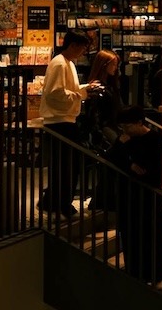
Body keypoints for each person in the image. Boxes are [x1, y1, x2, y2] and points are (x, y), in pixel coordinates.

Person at [39, 31, 101, 216]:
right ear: (73, 45)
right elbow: (56, 93)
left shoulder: (68, 63)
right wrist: (81, 94)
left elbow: (66, 91)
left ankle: (57, 201)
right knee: (66, 167)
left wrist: (85, 89)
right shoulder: (59, 63)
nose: (83, 52)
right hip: (59, 121)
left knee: (68, 166)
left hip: (64, 119)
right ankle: (59, 202)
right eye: (82, 47)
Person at [106, 105, 162, 283]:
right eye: (122, 127)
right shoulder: (124, 139)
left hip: (148, 193)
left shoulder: (155, 137)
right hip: (127, 193)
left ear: (140, 123)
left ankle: (153, 272)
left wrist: (127, 157)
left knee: (149, 234)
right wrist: (128, 160)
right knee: (129, 233)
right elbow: (111, 159)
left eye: (128, 126)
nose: (125, 130)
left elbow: (146, 167)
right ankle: (133, 270)